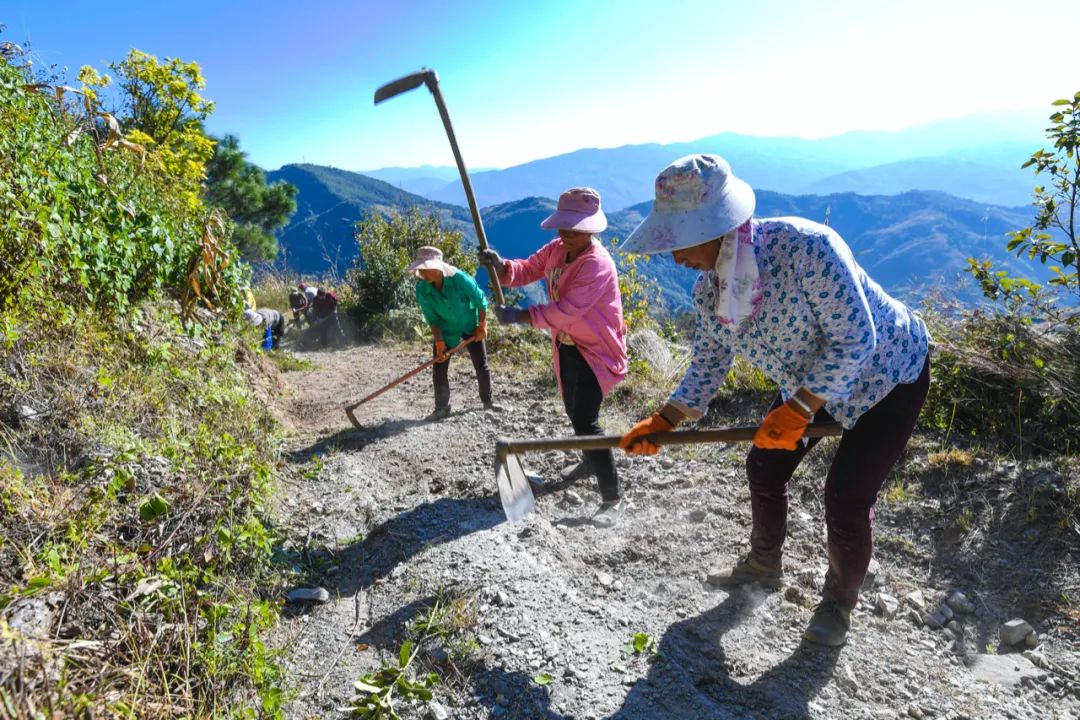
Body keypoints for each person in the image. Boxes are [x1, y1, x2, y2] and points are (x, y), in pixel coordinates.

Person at [619, 155, 931, 646]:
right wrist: (666, 419)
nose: (674, 257)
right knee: (764, 467)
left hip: (887, 375)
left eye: (680, 240)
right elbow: (708, 364)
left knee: (846, 497)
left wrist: (801, 408)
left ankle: (838, 606)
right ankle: (764, 564)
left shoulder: (807, 249)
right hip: (810, 386)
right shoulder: (712, 293)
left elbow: (856, 340)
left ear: (718, 226)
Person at [480, 187, 629, 528]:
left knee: (588, 420)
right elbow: (529, 268)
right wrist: (501, 266)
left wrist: (520, 316)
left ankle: (611, 497)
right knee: (574, 412)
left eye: (573, 229)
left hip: (595, 348)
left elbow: (567, 311)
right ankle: (590, 460)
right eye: (563, 227)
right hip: (567, 345)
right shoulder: (559, 249)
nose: (565, 234)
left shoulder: (597, 265)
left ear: (590, 229)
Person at [408, 246, 500, 420]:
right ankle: (441, 408)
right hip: (446, 329)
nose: (422, 273)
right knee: (439, 367)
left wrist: (482, 325)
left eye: (425, 268)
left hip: (469, 324)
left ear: (438, 266)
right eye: (421, 269)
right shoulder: (422, 290)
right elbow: (433, 319)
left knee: (481, 364)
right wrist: (440, 343)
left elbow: (481, 301)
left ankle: (487, 401)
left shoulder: (459, 279)